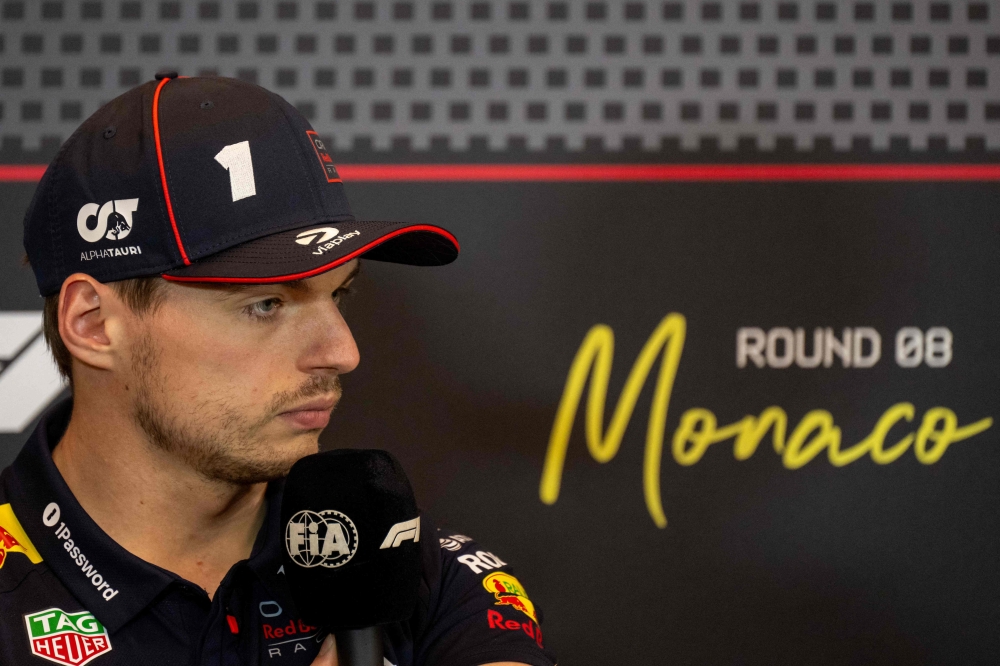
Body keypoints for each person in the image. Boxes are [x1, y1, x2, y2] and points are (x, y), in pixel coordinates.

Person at [0, 74, 555, 666]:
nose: (343, 353)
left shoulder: (423, 581)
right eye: (265, 304)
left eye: (337, 296)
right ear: (92, 323)